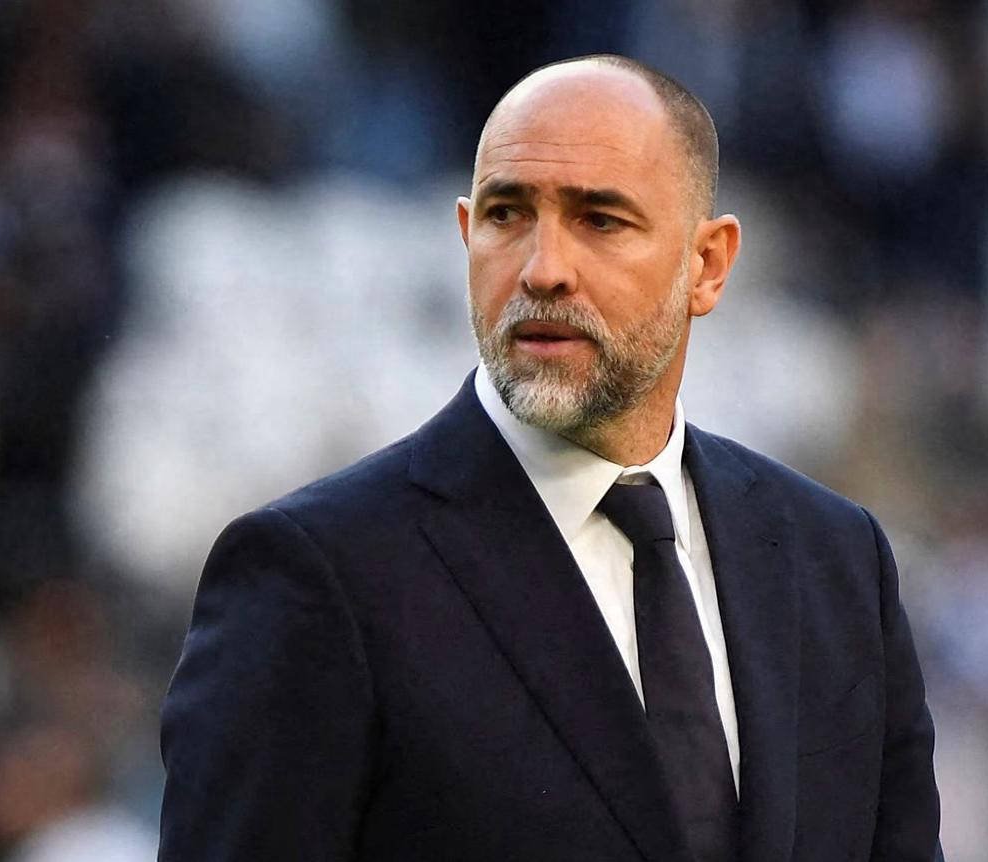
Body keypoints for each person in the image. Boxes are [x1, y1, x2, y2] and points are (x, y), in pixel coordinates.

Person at [158, 54, 942, 862]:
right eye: (507, 216)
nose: (543, 270)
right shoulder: (315, 574)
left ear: (706, 266)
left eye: (600, 220)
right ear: (466, 236)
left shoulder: (836, 560)